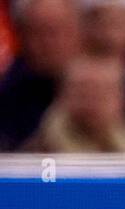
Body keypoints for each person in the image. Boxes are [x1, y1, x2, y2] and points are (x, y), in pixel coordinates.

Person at [23, 53, 125, 152]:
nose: (91, 102)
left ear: (123, 100)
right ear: (61, 96)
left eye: (101, 94)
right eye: (83, 93)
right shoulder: (38, 155)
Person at [0, 0, 81, 150]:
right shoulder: (7, 95)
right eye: (35, 32)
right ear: (20, 36)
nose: (45, 43)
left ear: (76, 31)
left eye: (53, 32)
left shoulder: (108, 86)